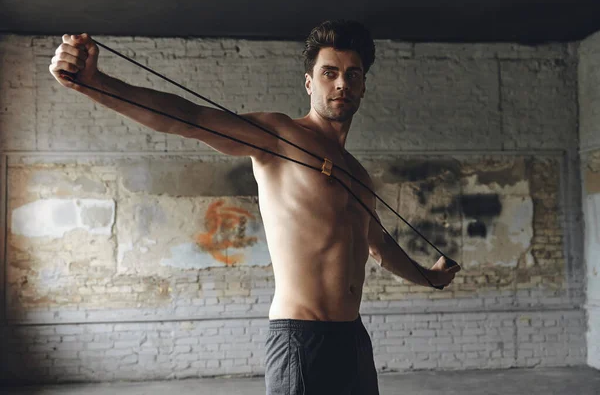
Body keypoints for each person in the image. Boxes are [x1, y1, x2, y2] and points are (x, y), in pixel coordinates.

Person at [50, 20, 461, 395]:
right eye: (329, 73)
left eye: (352, 75)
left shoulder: (357, 173)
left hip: (352, 339)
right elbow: (189, 119)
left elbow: (379, 247)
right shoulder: (279, 136)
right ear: (309, 82)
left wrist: (429, 277)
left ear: (363, 86)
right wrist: (96, 84)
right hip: (301, 338)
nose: (341, 84)